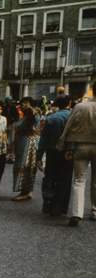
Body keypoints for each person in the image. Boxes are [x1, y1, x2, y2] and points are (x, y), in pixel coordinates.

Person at [57, 81, 96, 226]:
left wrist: (64, 144)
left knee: (79, 180)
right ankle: (94, 210)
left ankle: (76, 213)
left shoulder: (80, 106)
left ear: (93, 90)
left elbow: (69, 126)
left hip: (80, 146)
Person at [37, 95, 73, 216]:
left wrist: (39, 157)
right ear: (69, 103)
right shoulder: (72, 116)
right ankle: (61, 207)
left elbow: (43, 140)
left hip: (52, 151)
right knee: (65, 179)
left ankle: (48, 204)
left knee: (50, 177)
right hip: (68, 151)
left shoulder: (51, 118)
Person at [12, 106, 40, 201]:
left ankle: (24, 192)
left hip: (25, 146)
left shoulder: (27, 121)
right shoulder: (32, 119)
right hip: (30, 145)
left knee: (23, 168)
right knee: (29, 168)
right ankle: (28, 191)